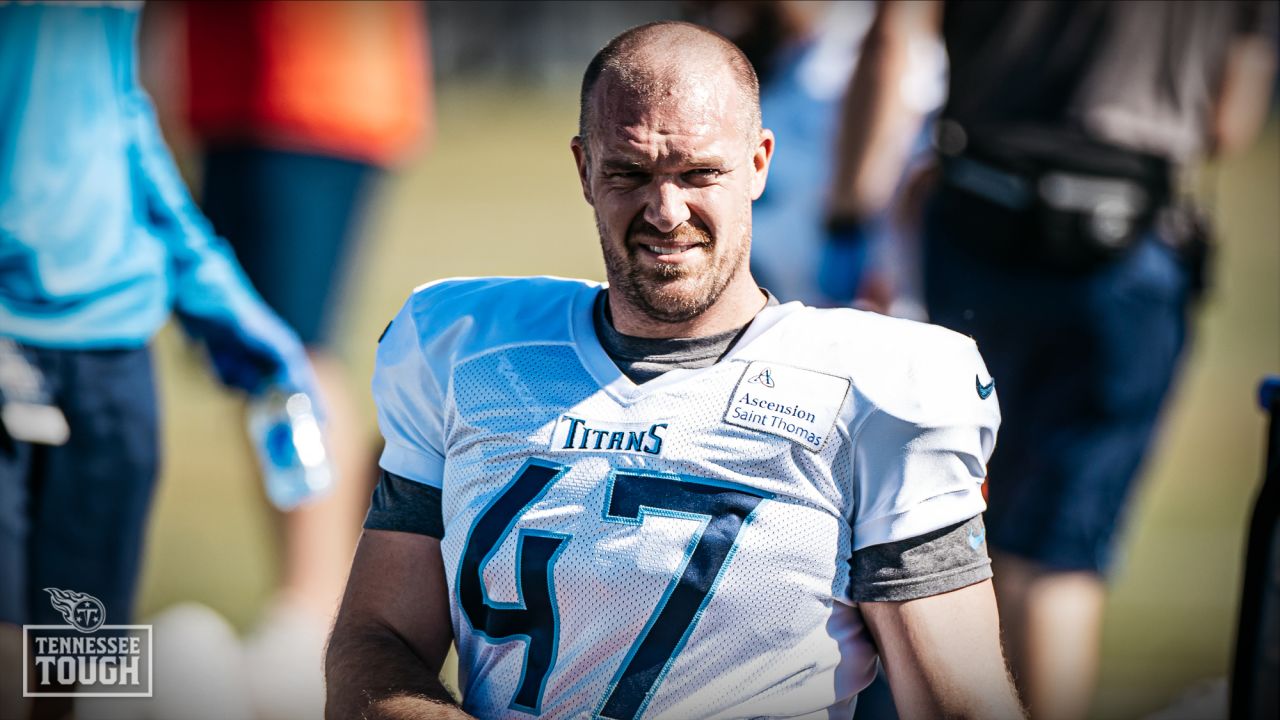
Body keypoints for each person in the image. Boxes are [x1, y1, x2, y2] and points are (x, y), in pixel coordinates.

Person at [326, 21, 1024, 720]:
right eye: (631, 173)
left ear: (758, 163)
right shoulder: (467, 346)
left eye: (699, 173)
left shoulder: (878, 388)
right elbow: (374, 640)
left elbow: (958, 702)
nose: (666, 211)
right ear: (583, 169)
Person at [826, 3, 1278, 719]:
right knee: (1058, 555)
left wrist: (849, 213)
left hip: (979, 227)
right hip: (1129, 244)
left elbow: (892, 38)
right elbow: (1229, 120)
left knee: (940, 527)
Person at [0, 3, 317, 719]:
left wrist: (217, 293)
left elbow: (119, 118)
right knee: (10, 649)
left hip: (113, 349)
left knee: (80, 648)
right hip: (10, 337)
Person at [172, 3, 432, 716]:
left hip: (301, 81)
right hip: (259, 89)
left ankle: (313, 613)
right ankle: (313, 606)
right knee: (276, 358)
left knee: (288, 355)